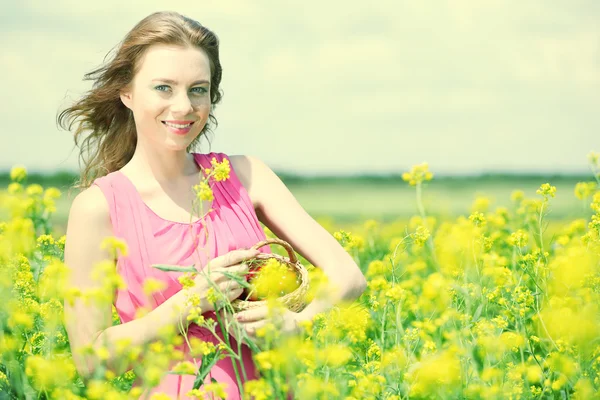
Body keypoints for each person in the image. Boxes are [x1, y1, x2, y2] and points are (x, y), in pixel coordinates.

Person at [59, 11, 367, 399]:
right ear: (127, 93)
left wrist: (298, 322)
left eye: (198, 89)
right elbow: (92, 362)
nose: (183, 106)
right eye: (163, 88)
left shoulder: (247, 175)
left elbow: (349, 277)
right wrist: (192, 299)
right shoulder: (98, 208)